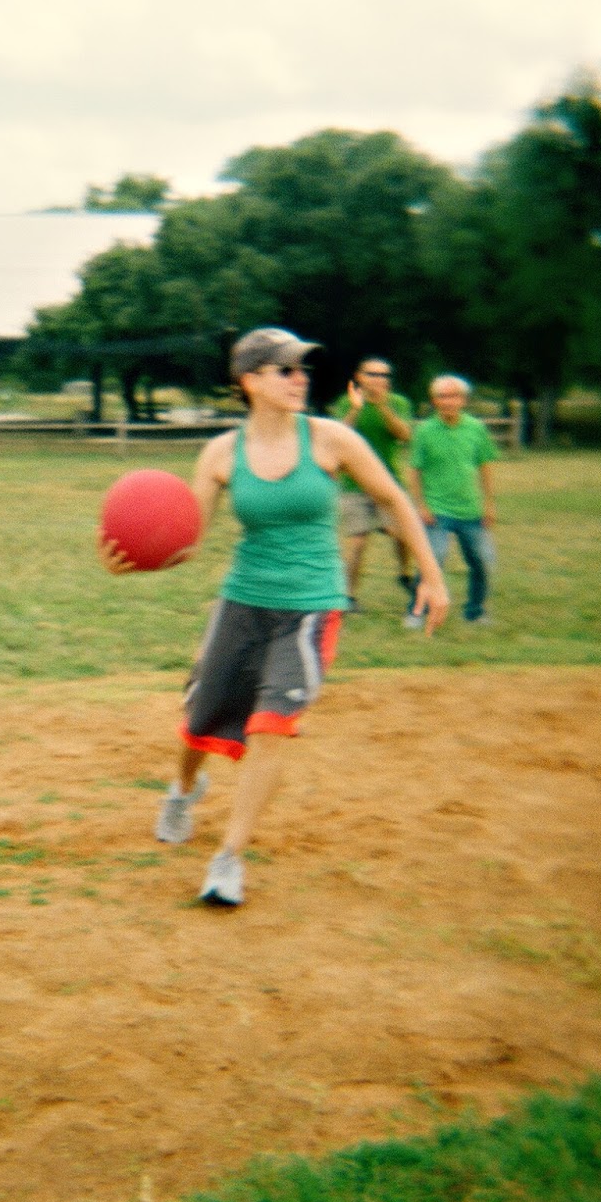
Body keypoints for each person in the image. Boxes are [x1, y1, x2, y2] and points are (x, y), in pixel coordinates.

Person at [100, 327, 450, 908]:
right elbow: (188, 541)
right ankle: (184, 789)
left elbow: (392, 498)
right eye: (285, 369)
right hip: (243, 600)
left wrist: (432, 576)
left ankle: (228, 858)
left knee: (272, 722)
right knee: (203, 715)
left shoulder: (331, 439)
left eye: (302, 369)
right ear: (250, 381)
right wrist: (136, 562)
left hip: (312, 606)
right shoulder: (221, 453)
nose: (300, 379)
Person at [403, 374, 500, 625]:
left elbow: (485, 466)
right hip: (436, 510)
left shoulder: (476, 428)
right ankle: (417, 611)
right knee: (432, 560)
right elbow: (415, 470)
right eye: (442, 396)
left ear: (463, 400)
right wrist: (420, 505)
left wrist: (489, 503)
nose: (448, 401)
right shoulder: (424, 431)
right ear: (434, 401)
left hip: (471, 510)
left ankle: (476, 611)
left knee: (481, 561)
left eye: (454, 396)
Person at [329, 356, 417, 615]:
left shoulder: (398, 403)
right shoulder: (347, 402)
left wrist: (383, 407)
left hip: (388, 483)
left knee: (403, 533)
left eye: (384, 375)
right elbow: (338, 437)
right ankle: (349, 597)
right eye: (372, 374)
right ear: (359, 377)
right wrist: (356, 409)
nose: (379, 380)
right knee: (357, 542)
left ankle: (404, 574)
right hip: (354, 485)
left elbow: (405, 436)